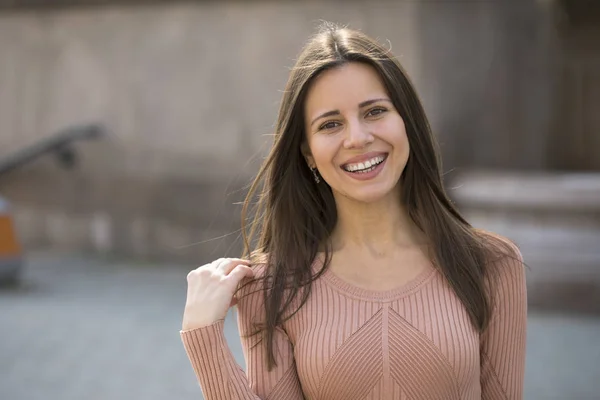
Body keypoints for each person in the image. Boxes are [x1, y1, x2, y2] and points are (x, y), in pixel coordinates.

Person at [180, 22, 527, 400]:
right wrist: (204, 336)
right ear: (308, 153)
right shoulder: (271, 289)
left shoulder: (491, 264)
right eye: (331, 124)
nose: (358, 138)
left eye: (375, 111)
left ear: (406, 123)